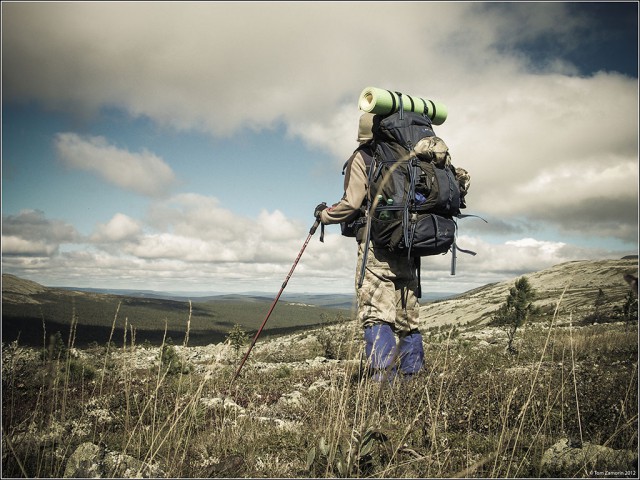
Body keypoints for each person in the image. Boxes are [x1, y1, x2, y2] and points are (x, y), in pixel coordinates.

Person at [314, 112, 424, 382]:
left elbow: (352, 204)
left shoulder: (363, 156)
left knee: (376, 314)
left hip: (377, 245)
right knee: (407, 316)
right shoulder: (410, 156)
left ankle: (384, 385)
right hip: (409, 245)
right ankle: (414, 380)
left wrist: (324, 215)